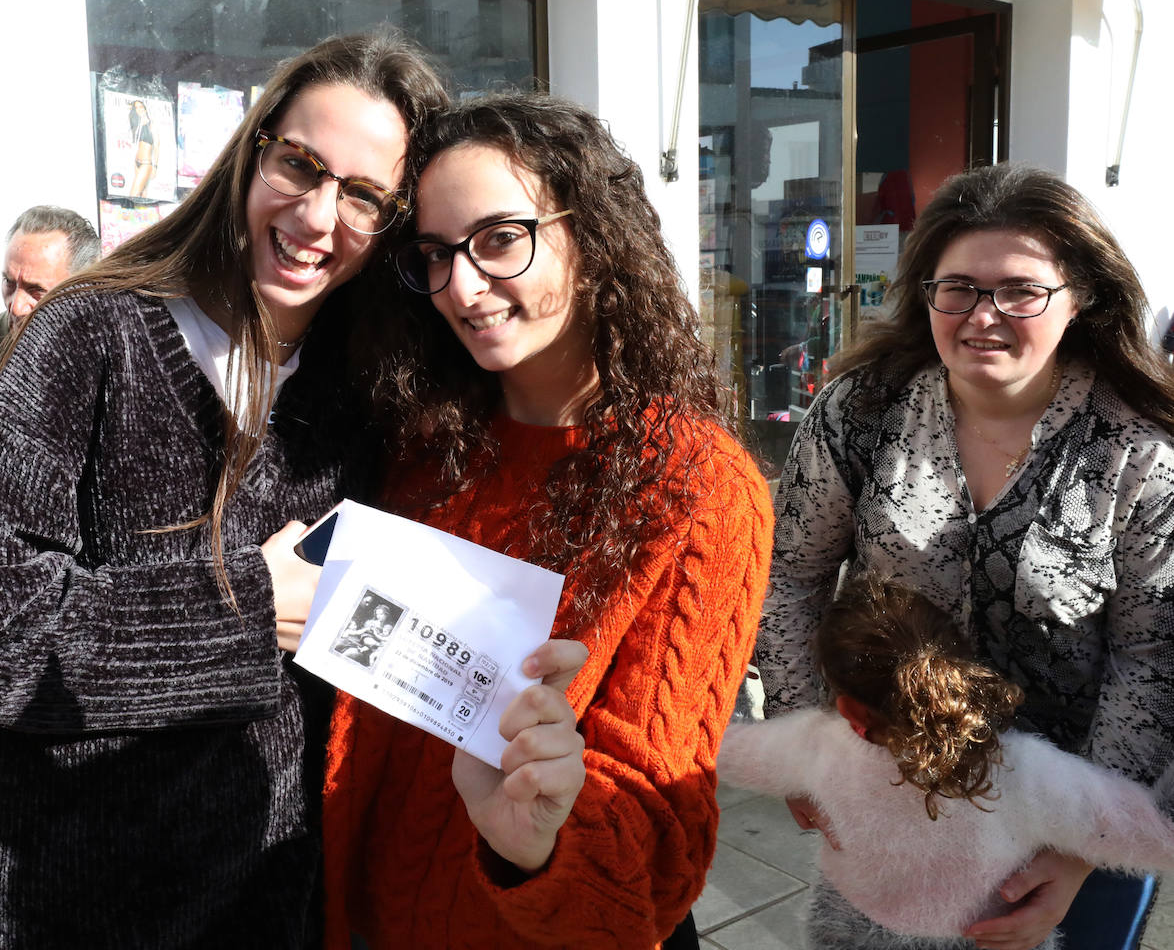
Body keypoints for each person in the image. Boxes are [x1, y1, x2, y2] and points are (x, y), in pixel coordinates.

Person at [0, 31, 458, 948]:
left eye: (362, 196)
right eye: (302, 165)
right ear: (255, 147)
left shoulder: (363, 387)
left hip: (265, 900)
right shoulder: (93, 334)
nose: (318, 216)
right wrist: (240, 611)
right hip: (62, 902)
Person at [321, 93, 774, 949]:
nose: (461, 286)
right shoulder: (421, 442)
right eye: (434, 255)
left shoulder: (700, 490)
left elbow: (663, 851)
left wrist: (535, 844)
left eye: (499, 239)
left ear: (594, 239)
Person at [757, 162, 1174, 950]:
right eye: (959, 289)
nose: (984, 316)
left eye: (1020, 290)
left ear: (1079, 297)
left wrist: (1080, 850)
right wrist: (803, 738)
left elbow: (1150, 663)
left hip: (1077, 807)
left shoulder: (1138, 451)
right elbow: (791, 574)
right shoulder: (863, 409)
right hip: (895, 785)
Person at [722, 573, 1174, 949]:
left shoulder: (815, 744)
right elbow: (1155, 835)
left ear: (849, 710)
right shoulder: (1027, 771)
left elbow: (721, 750)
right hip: (991, 939)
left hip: (851, 933)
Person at [0, 204, 100, 361]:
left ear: (84, 287)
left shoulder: (115, 352)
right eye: (9, 282)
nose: (16, 308)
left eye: (36, 290)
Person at [128, 99, 158, 198]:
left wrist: (155, 167)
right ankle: (144, 213)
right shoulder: (137, 126)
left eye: (141, 107)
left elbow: (157, 147)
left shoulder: (152, 125)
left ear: (145, 109)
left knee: (133, 195)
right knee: (143, 194)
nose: (138, 109)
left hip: (146, 164)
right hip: (136, 163)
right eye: (136, 107)